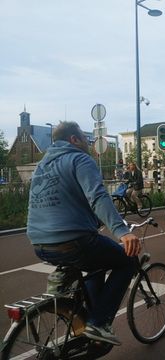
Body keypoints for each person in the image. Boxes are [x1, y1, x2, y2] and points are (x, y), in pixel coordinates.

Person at [27, 121, 140, 346]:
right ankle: (99, 323)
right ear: (74, 140)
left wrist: (93, 221)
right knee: (128, 261)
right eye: (85, 139)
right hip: (72, 241)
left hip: (39, 243)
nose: (88, 143)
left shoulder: (42, 166)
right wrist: (121, 231)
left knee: (94, 263)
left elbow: (63, 201)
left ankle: (82, 313)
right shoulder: (79, 158)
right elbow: (97, 196)